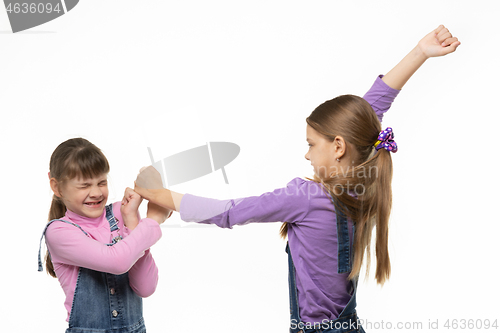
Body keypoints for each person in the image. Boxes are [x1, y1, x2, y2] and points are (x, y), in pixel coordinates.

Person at [133, 25, 460, 333]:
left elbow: (229, 211)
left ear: (338, 146)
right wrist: (421, 51)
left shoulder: (305, 198)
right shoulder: (367, 181)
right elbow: (371, 108)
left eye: (311, 144)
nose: (306, 155)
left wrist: (160, 194)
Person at [37, 138, 171, 333]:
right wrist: (153, 220)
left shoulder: (120, 214)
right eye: (84, 186)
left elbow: (145, 287)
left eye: (102, 182)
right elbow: (117, 261)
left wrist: (133, 220)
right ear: (56, 187)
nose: (96, 192)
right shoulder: (58, 232)